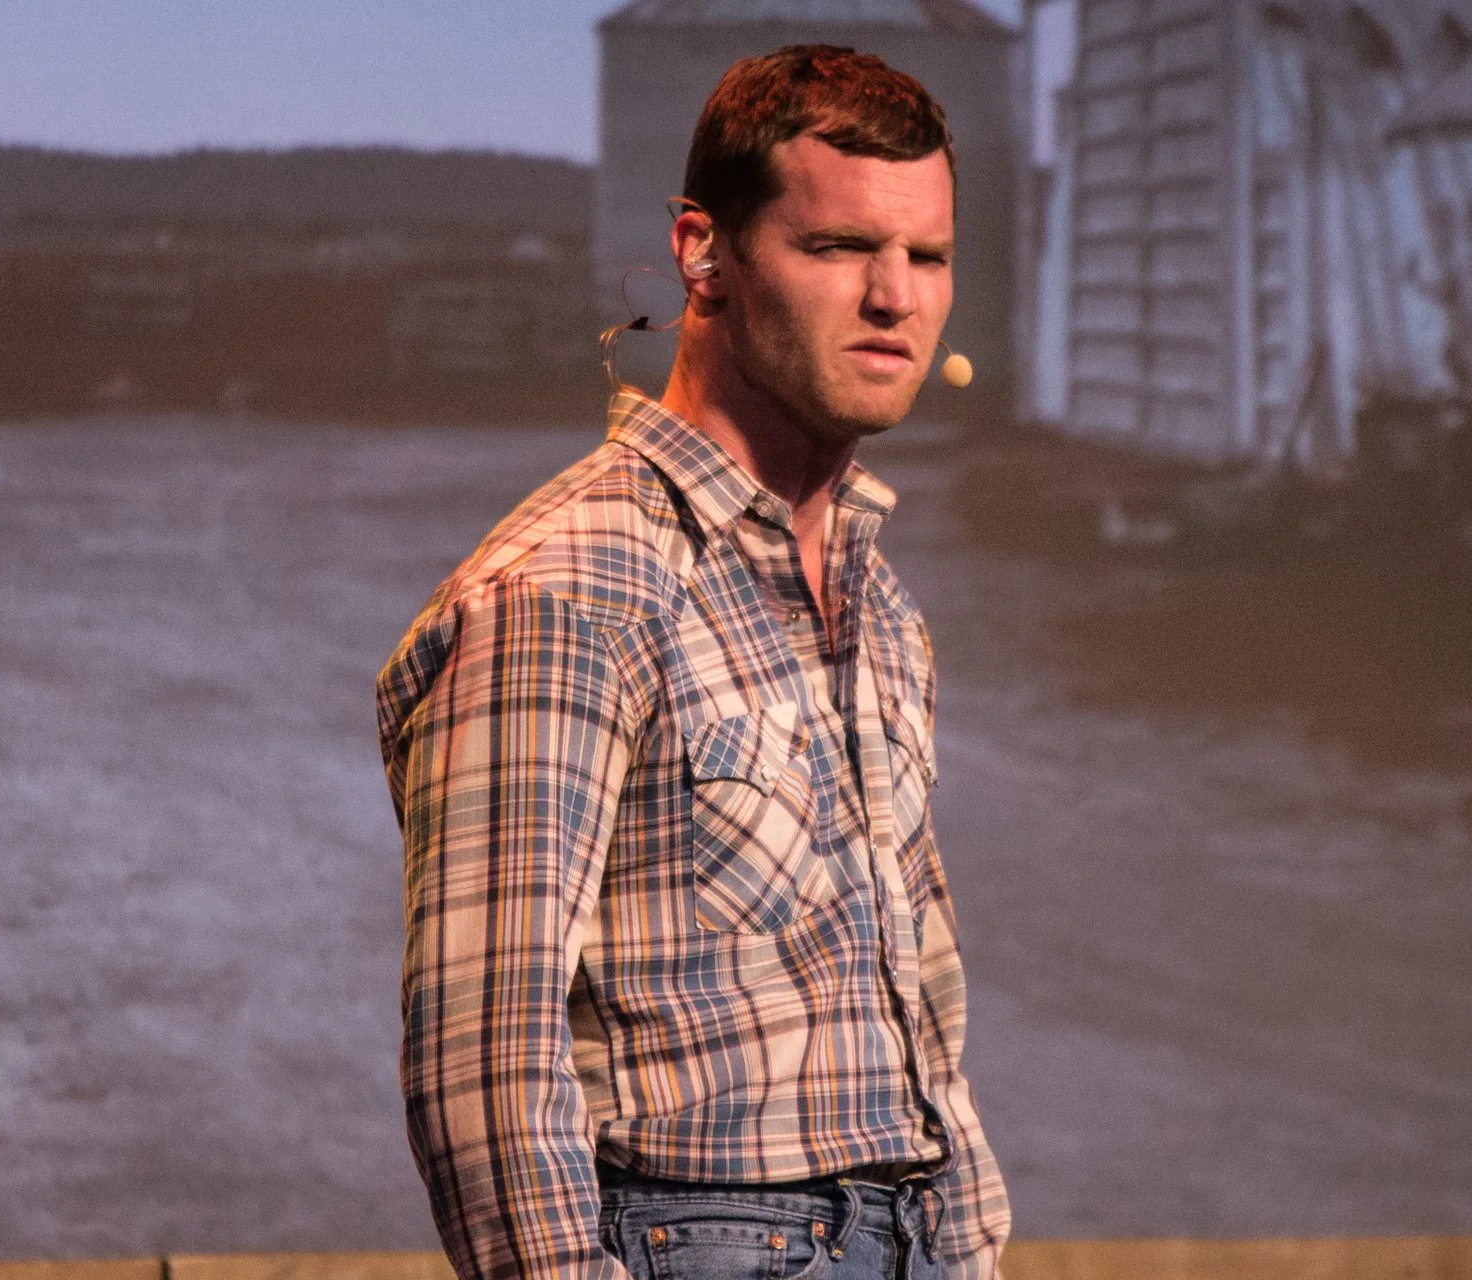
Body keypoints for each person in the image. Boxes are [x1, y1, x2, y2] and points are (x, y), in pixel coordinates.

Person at [376, 44, 1009, 1280]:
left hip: (912, 1233)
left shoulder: (877, 606)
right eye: (839, 246)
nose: (896, 296)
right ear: (701, 251)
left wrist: (972, 1243)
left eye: (927, 255)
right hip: (706, 1239)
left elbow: (920, 1012)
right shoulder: (567, 591)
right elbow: (486, 1064)